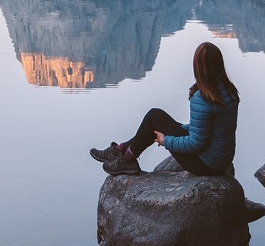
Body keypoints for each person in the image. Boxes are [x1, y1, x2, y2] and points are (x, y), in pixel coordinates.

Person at [91, 41, 239, 177]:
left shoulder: (203, 97)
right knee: (156, 119)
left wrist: (166, 141)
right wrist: (181, 128)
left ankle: (125, 158)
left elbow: (197, 143)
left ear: (198, 67)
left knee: (154, 116)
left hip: (205, 164)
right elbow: (209, 130)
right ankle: (120, 151)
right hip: (221, 160)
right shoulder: (228, 90)